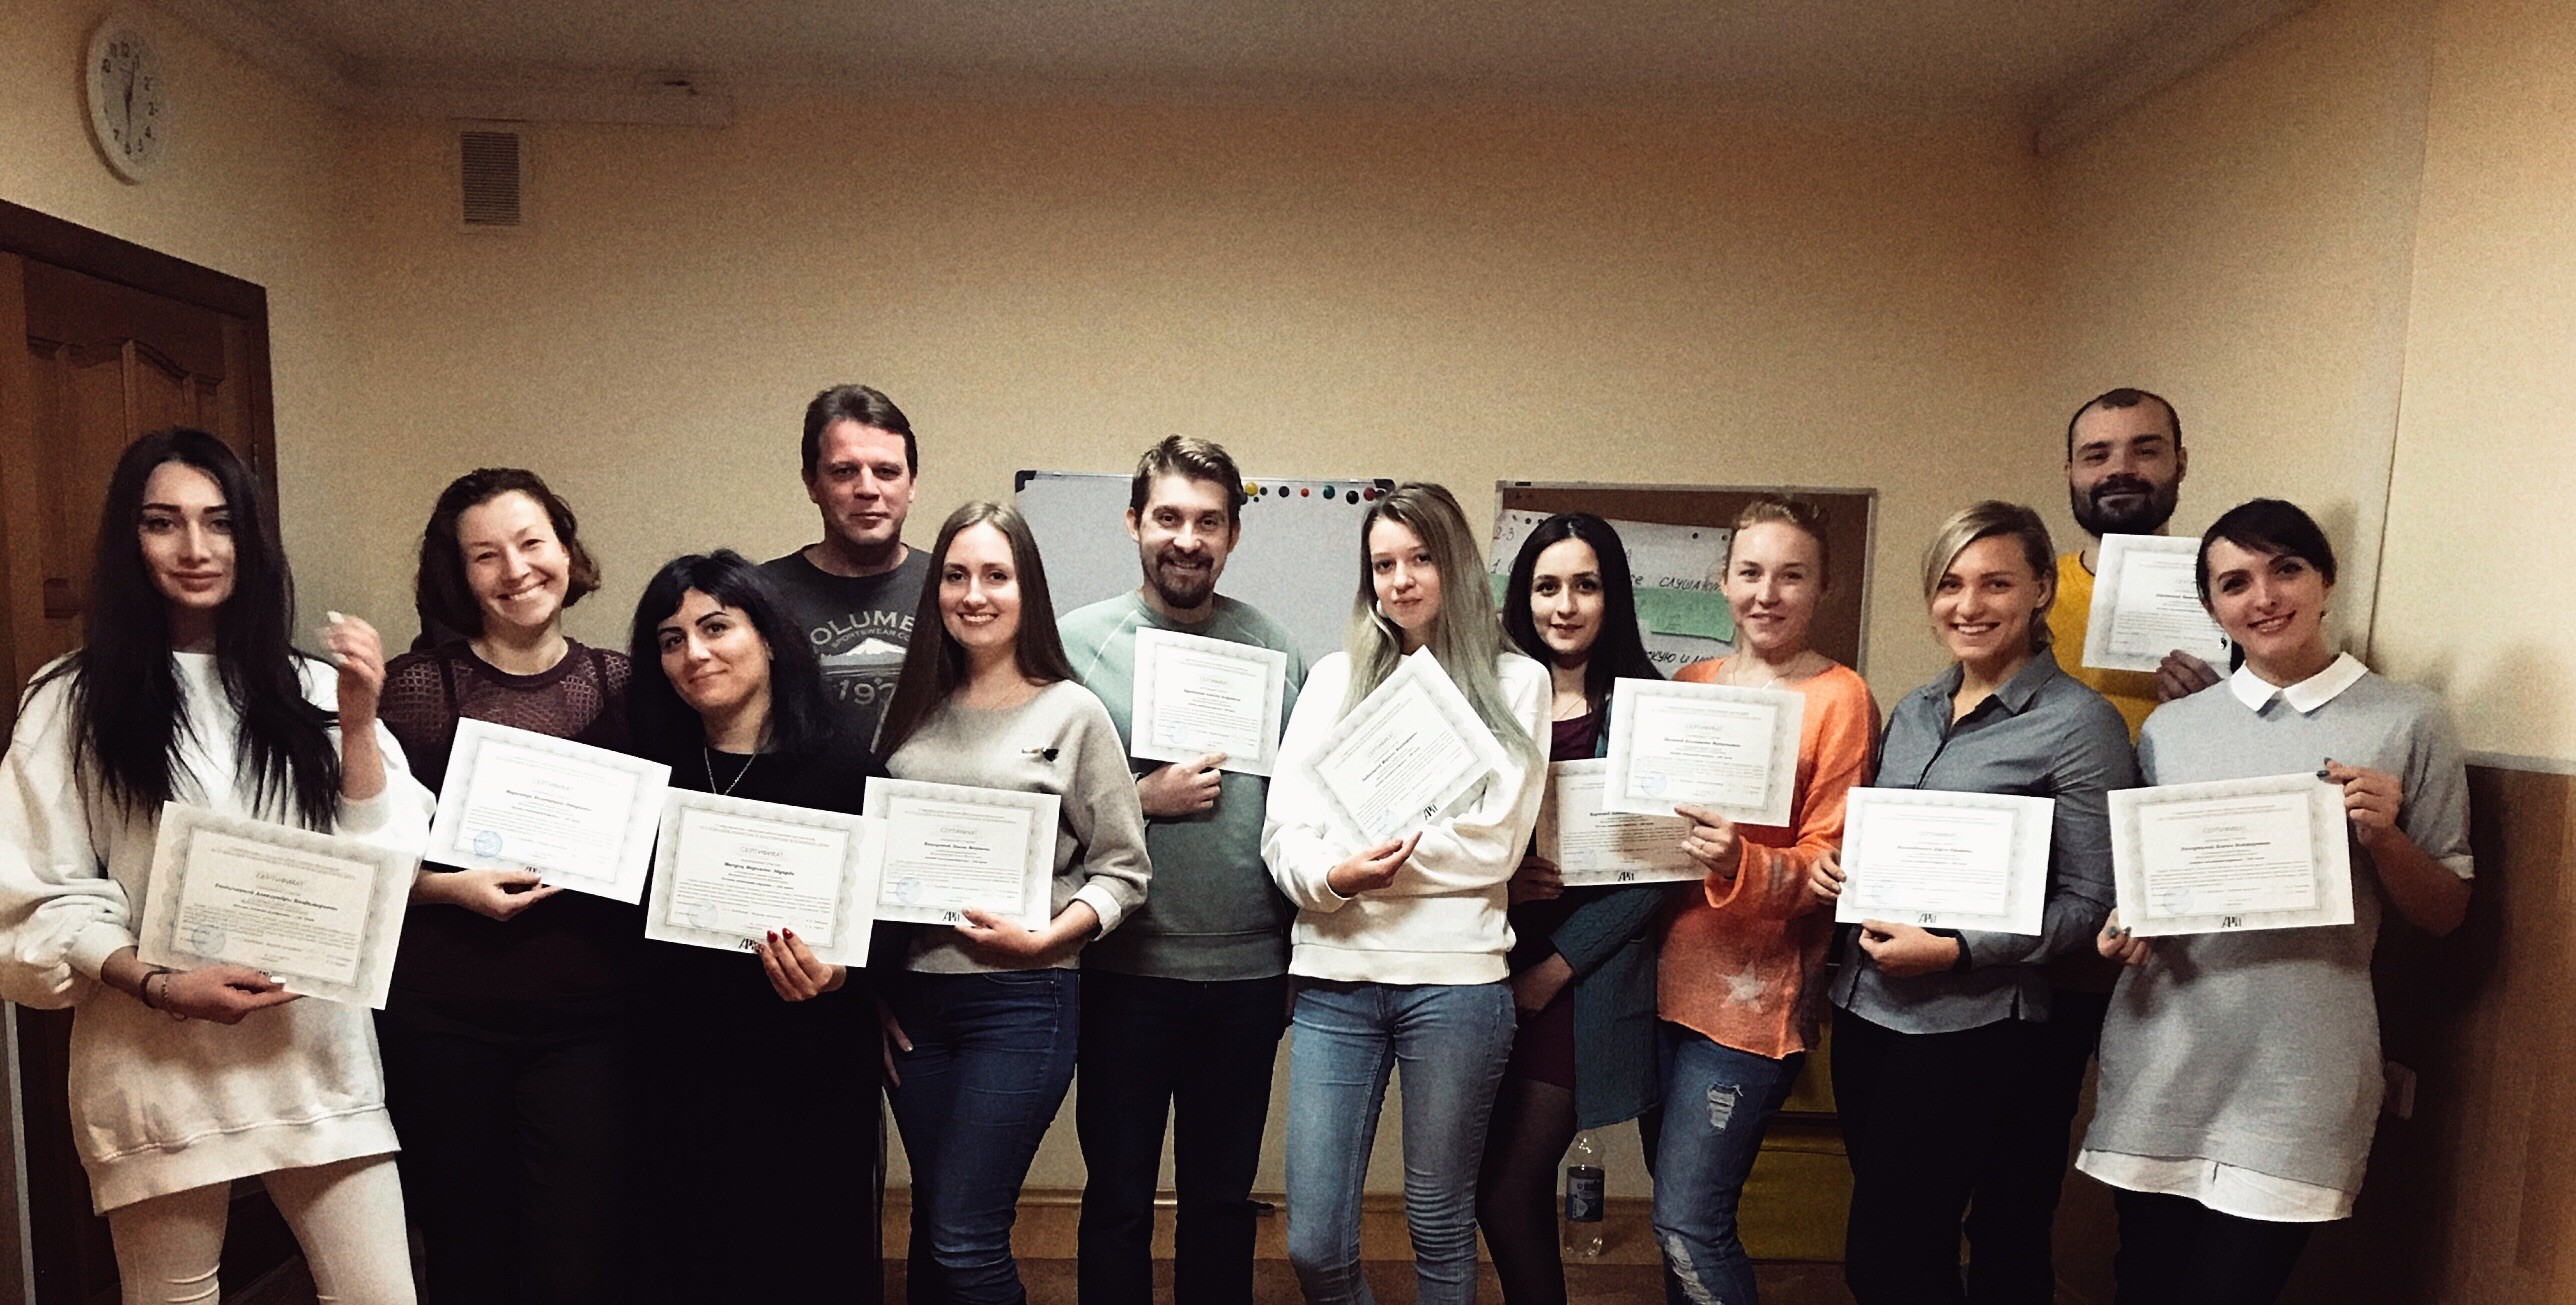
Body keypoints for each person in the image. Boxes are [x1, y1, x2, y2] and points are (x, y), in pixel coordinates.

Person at [0, 429, 429, 1305]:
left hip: (314, 1057)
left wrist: (356, 724)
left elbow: (380, 866)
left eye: (220, 521)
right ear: (129, 540)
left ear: (252, 539)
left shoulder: (313, 686)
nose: (195, 547)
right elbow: (35, 891)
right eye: (164, 522)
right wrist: (160, 984)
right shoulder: (69, 699)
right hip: (155, 1066)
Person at [2083, 499, 2470, 1305]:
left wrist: (2384, 837)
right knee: (2141, 1284)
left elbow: (2445, 912)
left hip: (2300, 1073)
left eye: (2285, 569)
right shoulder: (2171, 729)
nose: (2263, 597)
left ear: (2325, 580)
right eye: (2235, 582)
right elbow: (2146, 893)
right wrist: (2124, 929)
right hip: (2164, 1056)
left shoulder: (2409, 718)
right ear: (2209, 607)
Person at [1813, 500, 2137, 1305]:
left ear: (2040, 590)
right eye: (1950, 584)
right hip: (1865, 1011)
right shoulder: (1915, 709)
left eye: (1995, 582)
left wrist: (1958, 949)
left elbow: (2091, 901)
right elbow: (1894, 847)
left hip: (1972, 1027)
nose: (1968, 604)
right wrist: (1840, 870)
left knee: (1886, 1262)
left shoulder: (2080, 724)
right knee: (1911, 1250)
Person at [1263, 482, 1549, 1305]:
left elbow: (1495, 845)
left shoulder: (1516, 680)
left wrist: (1367, 858)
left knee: (1438, 1222)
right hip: (1335, 977)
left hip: (1456, 982)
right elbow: (1285, 833)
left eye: (1420, 558)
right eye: (1383, 564)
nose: (1401, 579)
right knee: (1314, 1241)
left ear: (1455, 564)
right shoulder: (1332, 679)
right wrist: (1335, 878)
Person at [875, 502, 1153, 1305]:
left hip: (1022, 1001)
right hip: (912, 1007)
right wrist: (872, 988)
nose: (974, 594)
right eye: (956, 576)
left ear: (1027, 589)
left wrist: (1045, 941)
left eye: (996, 575)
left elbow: (1124, 871)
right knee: (936, 1228)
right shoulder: (909, 707)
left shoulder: (1072, 711)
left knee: (965, 1239)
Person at [376, 468, 635, 1305]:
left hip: (589, 1021)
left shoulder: (627, 683)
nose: (516, 569)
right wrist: (452, 891)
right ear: (459, 574)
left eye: (531, 543)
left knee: (580, 1257)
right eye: (485, 555)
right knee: (468, 1251)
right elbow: (357, 857)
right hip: (445, 1019)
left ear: (566, 547)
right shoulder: (415, 687)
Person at [1058, 437, 1305, 1305]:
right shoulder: (1076, 645)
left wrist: (1297, 955)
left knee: (1221, 1201)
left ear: (1233, 533)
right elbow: (1034, 806)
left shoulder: (1274, 648)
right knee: (1118, 1198)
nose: (1187, 539)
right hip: (1123, 969)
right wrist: (1141, 798)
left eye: (1208, 521)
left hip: (1247, 975)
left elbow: (1306, 812)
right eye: (1168, 517)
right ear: (1134, 522)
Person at [619, 549, 887, 1303]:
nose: (694, 653)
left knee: (803, 1259)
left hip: (806, 1063)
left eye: (715, 627)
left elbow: (891, 921)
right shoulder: (647, 771)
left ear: (767, 637)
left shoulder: (848, 770)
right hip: (678, 1066)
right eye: (671, 640)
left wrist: (840, 973)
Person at [1650, 497, 1879, 1305]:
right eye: (1750, 572)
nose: (1767, 593)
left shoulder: (1841, 696)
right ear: (1723, 581)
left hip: (1753, 1004)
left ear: (1822, 588)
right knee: (1673, 1224)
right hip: (1661, 987)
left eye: (1792, 575)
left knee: (1689, 1222)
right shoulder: (1690, 684)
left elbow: (1830, 859)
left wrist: (1741, 860)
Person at [1473, 511, 1670, 1305]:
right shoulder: (1488, 696)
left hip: (1579, 981)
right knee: (1489, 1189)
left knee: (1507, 1189)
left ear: (1612, 595)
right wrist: (1502, 881)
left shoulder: (1647, 706)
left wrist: (1555, 969)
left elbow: (1659, 871)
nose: (1564, 604)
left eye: (1585, 585)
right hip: (1488, 964)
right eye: (1546, 585)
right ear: (1522, 597)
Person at [761, 382, 932, 750]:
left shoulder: (953, 588)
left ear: (912, 485)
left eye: (887, 472)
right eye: (844, 471)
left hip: (923, 788)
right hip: (803, 788)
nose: (867, 489)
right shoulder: (759, 595)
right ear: (812, 484)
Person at [2053, 387, 2222, 733]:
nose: (2120, 470)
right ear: (2069, 472)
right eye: (2096, 456)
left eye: (2145, 452)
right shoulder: (2027, 599)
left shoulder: (2233, 593)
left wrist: (2228, 706)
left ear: (2180, 464)